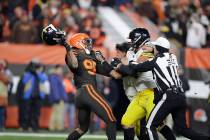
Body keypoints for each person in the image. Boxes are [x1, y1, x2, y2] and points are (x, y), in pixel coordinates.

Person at [117, 36, 210, 140]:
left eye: (155, 46)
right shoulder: (173, 57)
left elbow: (135, 67)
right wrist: (151, 50)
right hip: (181, 96)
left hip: (169, 96)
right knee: (184, 130)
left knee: (149, 126)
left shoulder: (156, 61)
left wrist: (128, 58)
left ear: (158, 48)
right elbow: (161, 54)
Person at [41, 24, 121, 140]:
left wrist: (104, 62)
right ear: (79, 43)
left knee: (82, 128)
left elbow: (113, 74)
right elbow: (74, 64)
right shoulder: (73, 53)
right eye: (86, 41)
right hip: (87, 89)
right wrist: (67, 46)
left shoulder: (91, 56)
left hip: (81, 94)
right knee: (111, 119)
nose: (89, 44)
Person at [112, 28, 175, 140]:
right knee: (126, 122)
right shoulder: (132, 51)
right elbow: (130, 68)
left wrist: (119, 66)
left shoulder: (149, 50)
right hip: (140, 94)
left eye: (132, 39)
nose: (130, 41)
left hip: (153, 93)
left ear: (139, 39)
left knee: (158, 124)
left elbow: (132, 71)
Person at [48, 65, 68, 131]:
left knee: (55, 113)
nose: (61, 71)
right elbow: (54, 88)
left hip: (59, 98)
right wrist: (57, 98)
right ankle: (59, 127)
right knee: (58, 113)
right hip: (58, 98)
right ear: (56, 69)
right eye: (59, 69)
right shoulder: (54, 77)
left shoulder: (57, 77)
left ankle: (53, 127)